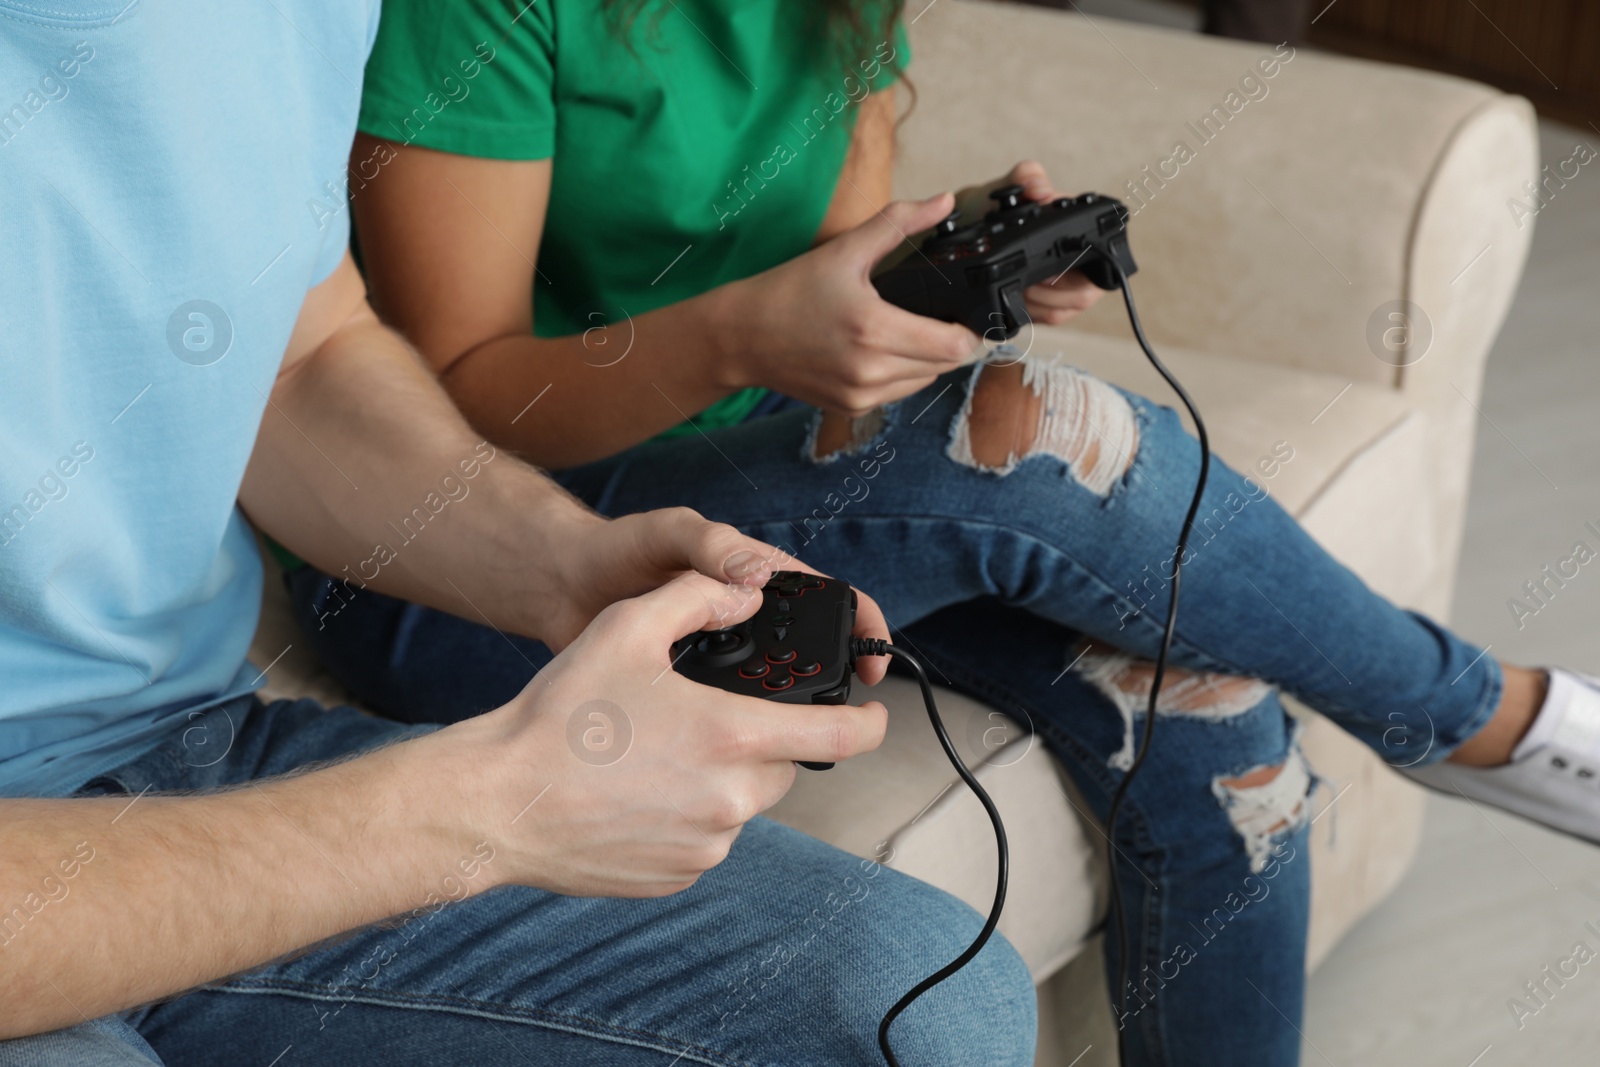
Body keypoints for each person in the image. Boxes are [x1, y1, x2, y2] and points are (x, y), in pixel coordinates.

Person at [287, 0, 1600, 1062]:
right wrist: (745, 334)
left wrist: (937, 263)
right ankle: (1484, 715)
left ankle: (1480, 727)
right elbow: (459, 399)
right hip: (468, 559)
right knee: (1036, 430)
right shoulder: (473, 12)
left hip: (758, 473)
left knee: (1201, 696)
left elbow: (821, 260)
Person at [0, 4, 1039, 1066]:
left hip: (163, 743)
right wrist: (481, 808)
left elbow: (299, 357)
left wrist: (562, 562)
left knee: (922, 1005)